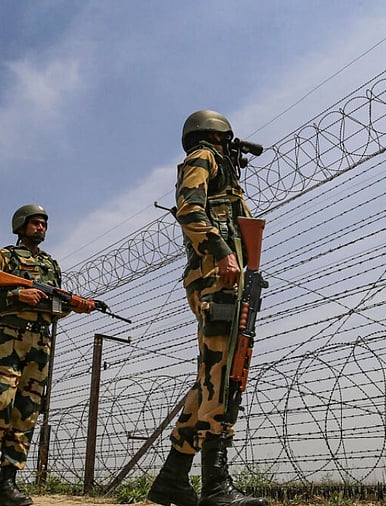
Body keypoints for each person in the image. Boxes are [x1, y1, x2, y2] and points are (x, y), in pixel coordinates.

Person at [147, 110, 268, 506]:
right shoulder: (204, 157)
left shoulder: (223, 174)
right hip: (219, 274)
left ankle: (172, 480)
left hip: (228, 274)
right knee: (225, 374)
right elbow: (189, 209)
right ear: (218, 136)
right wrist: (222, 253)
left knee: (213, 376)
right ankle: (216, 487)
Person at [0, 204, 105, 506]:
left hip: (40, 341)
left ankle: (8, 483)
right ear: (21, 225)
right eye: (35, 223)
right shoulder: (5, 257)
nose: (41, 228)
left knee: (27, 410)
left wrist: (75, 305)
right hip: (10, 337)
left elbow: (52, 308)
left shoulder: (51, 265)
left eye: (44, 224)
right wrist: (17, 294)